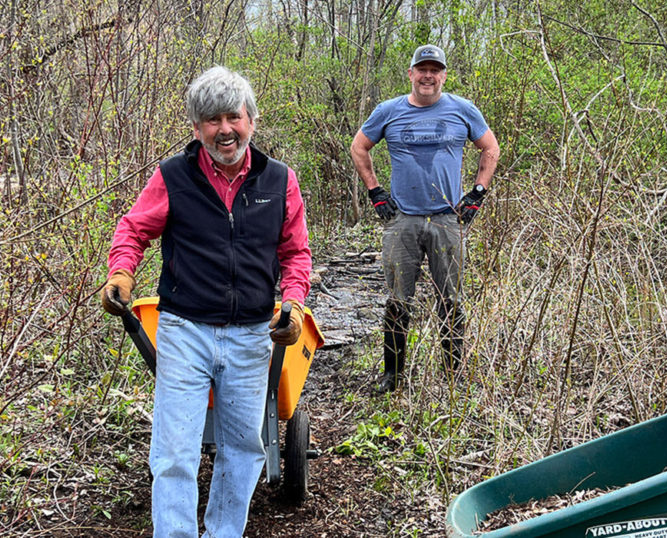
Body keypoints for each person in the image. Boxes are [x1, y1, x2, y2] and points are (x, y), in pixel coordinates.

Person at [99, 66, 311, 538]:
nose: (224, 130)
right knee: (175, 452)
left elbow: (295, 253)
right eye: (211, 120)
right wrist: (122, 271)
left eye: (233, 117)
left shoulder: (279, 181)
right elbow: (134, 228)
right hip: (184, 329)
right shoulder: (173, 177)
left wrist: (293, 305)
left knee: (244, 449)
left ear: (251, 121)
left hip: (253, 334)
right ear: (197, 128)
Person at [349, 44, 500, 393]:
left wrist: (477, 193)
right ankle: (393, 376)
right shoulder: (389, 111)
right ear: (411, 73)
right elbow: (359, 147)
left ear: (444, 75)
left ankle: (452, 378)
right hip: (402, 220)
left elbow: (490, 148)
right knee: (398, 301)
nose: (428, 76)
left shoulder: (462, 110)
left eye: (435, 70)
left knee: (452, 299)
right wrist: (375, 191)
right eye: (422, 69)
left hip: (448, 220)